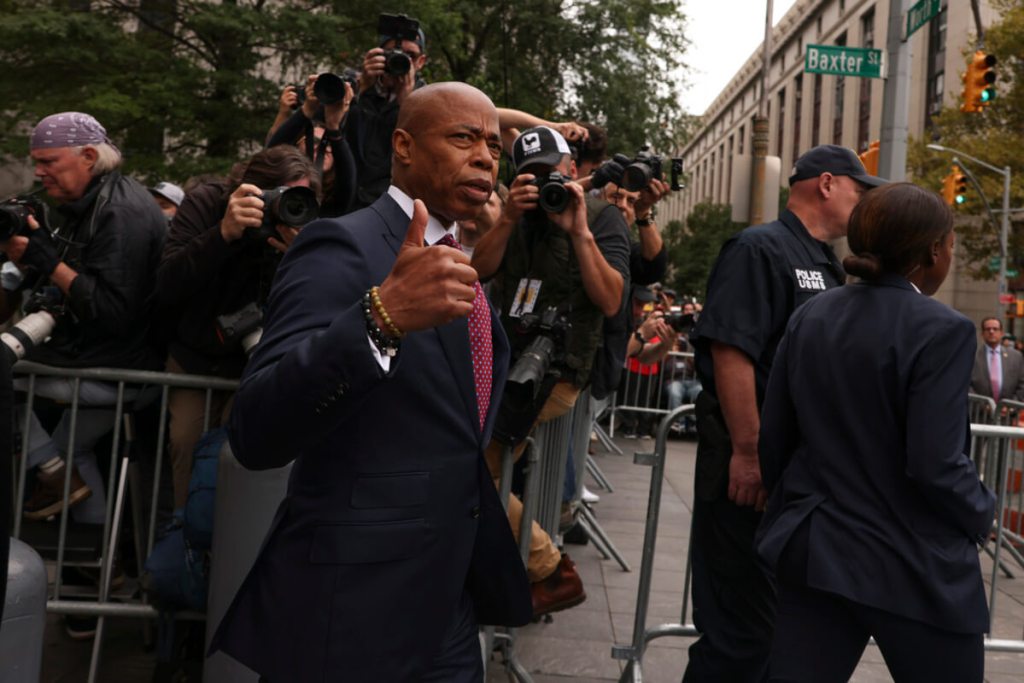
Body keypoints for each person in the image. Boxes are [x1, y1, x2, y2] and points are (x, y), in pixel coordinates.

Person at [209, 82, 531, 681]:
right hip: (351, 610)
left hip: (444, 606)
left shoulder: (460, 257)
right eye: (464, 137)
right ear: (403, 146)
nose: (487, 156)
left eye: (492, 143)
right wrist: (379, 319)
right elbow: (255, 429)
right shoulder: (343, 246)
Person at [757, 182, 995, 682]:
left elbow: (775, 436)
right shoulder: (943, 329)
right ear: (932, 250)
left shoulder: (811, 315)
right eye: (951, 244)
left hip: (816, 548)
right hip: (913, 562)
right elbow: (935, 463)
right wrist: (981, 511)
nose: (951, 254)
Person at [684, 144, 885, 682]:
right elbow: (732, 353)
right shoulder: (759, 249)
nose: (863, 203)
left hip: (791, 477)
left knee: (774, 637)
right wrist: (749, 454)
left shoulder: (826, 262)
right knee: (738, 636)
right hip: (747, 471)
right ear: (826, 184)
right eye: (858, 190)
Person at [472, 125, 629, 618]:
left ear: (572, 169)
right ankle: (535, 568)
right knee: (474, 466)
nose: (544, 186)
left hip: (558, 371)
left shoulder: (600, 217)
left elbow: (610, 300)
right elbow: (478, 272)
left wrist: (578, 230)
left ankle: (548, 567)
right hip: (506, 362)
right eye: (531, 177)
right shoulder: (515, 216)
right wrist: (506, 219)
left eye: (551, 175)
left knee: (475, 466)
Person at [7, 112, 166, 525]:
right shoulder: (96, 201)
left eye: (48, 162)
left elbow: (112, 312)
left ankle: (53, 474)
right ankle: (101, 570)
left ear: (90, 156)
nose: (40, 174)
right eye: (36, 162)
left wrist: (47, 261)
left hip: (115, 366)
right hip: (115, 359)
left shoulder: (121, 213)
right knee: (71, 451)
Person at [155, 145, 321, 511]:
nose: (287, 205)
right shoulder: (209, 203)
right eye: (281, 196)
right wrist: (224, 233)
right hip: (195, 357)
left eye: (300, 197)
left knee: (244, 450)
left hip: (256, 364)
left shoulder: (299, 230)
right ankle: (187, 543)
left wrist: (299, 254)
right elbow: (167, 284)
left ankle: (234, 545)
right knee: (184, 441)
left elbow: (309, 305)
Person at [345, 14, 429, 208]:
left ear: (420, 62)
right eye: (391, 53)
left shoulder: (429, 100)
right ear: (377, 56)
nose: (400, 60)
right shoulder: (354, 88)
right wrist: (362, 90)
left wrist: (407, 103)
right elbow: (334, 132)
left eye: (410, 56)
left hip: (392, 205)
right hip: (346, 198)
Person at [266, 75, 357, 217]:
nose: (324, 149)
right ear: (296, 147)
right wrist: (306, 110)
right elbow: (271, 153)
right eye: (314, 141)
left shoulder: (336, 196)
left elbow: (348, 178)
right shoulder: (281, 181)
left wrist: (333, 128)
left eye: (329, 145)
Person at [970, 317, 1024, 402]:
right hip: (979, 412)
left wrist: (1010, 406)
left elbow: (1022, 385)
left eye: (995, 329)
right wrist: (982, 405)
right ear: (982, 334)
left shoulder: (1016, 357)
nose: (991, 332)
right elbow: (967, 385)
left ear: (1001, 333)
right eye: (988, 329)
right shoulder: (972, 356)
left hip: (1009, 412)